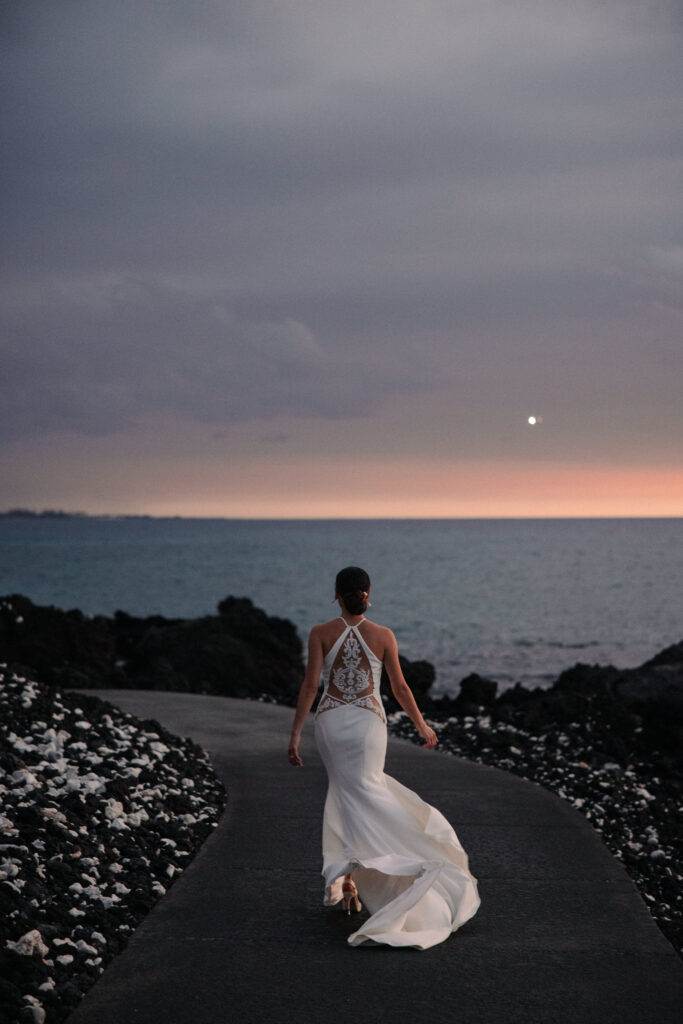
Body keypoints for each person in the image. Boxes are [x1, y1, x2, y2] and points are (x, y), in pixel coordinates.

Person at [288, 566, 480, 949]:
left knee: (346, 796)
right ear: (368, 594)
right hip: (367, 725)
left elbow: (312, 685)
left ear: (337, 595)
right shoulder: (384, 635)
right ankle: (364, 874)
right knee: (366, 792)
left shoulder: (319, 633)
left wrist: (294, 735)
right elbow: (400, 687)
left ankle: (348, 881)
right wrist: (422, 726)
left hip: (330, 723)